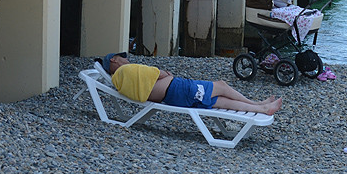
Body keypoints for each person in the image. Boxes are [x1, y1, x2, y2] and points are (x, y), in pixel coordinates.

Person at [99, 52, 282, 115]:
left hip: (174, 95)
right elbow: (153, 74)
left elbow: (144, 86)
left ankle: (262, 108)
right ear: (114, 60)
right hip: (178, 89)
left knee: (220, 101)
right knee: (222, 86)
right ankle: (258, 104)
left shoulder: (120, 80)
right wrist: (164, 73)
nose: (126, 58)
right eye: (122, 57)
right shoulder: (125, 71)